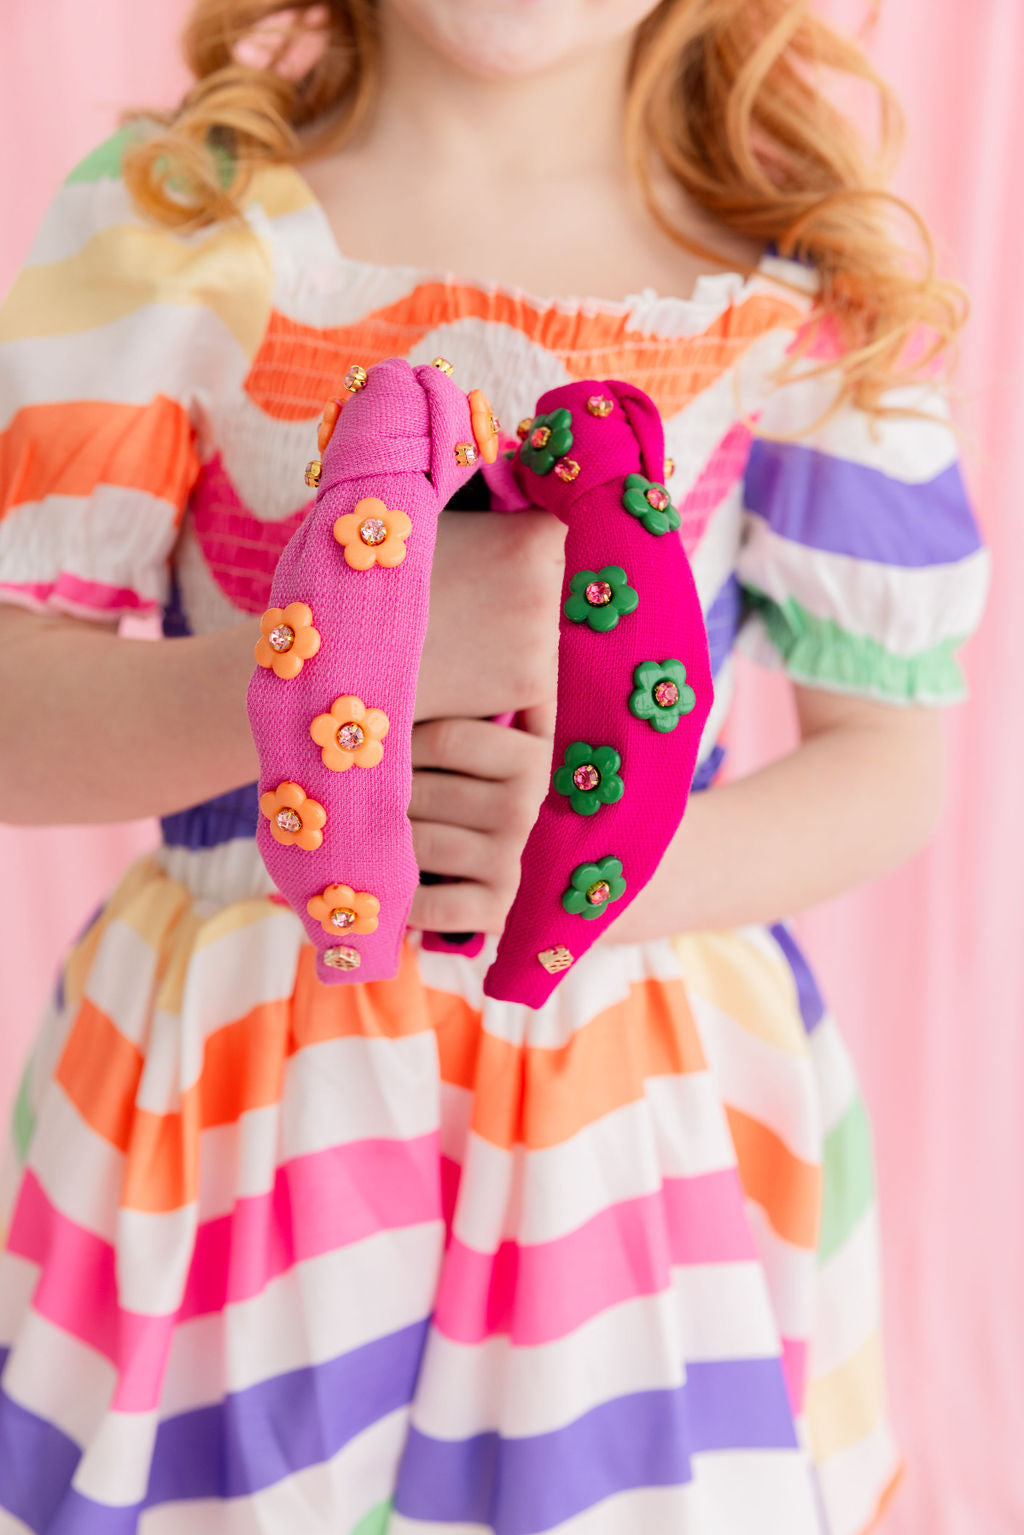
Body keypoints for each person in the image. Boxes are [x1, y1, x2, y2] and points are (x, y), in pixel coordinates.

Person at [0, 2, 989, 1532]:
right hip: (239, 1129)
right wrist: (323, 670)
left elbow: (889, 765)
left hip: (636, 1140)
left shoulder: (804, 271)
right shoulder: (171, 220)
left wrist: (605, 862)